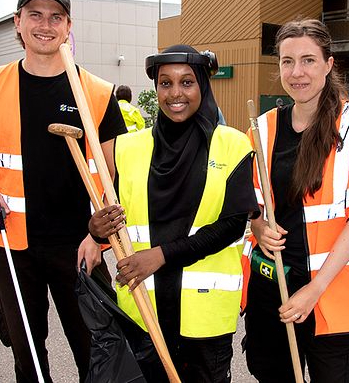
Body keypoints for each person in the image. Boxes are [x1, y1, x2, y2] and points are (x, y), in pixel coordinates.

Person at [0, 0, 127, 382]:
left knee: (97, 351)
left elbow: (115, 176)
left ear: (69, 27)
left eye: (56, 17)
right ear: (18, 23)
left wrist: (99, 240)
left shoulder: (97, 93)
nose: (45, 24)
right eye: (34, 14)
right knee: (28, 356)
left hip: (78, 247)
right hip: (11, 244)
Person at [241, 19, 349, 383]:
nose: (296, 72)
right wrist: (258, 226)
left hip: (329, 291)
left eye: (308, 60)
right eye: (287, 61)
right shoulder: (264, 127)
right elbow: (253, 204)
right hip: (273, 287)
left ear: (329, 64)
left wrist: (312, 291)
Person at [85, 45, 259, 382]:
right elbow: (117, 215)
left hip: (203, 317)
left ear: (203, 86)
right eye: (165, 84)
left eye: (186, 82)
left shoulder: (233, 144)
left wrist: (161, 256)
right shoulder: (128, 148)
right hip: (143, 309)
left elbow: (232, 225)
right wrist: (94, 229)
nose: (175, 93)